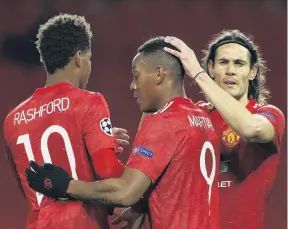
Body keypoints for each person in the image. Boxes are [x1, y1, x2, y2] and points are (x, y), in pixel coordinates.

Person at [25, 37, 220, 229]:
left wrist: (67, 186)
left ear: (159, 74)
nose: (132, 86)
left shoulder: (165, 122)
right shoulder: (202, 117)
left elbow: (126, 191)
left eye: (136, 76)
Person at [3, 13, 130, 229]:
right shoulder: (89, 102)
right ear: (79, 57)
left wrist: (95, 144)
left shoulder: (13, 119)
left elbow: (31, 184)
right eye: (89, 58)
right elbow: (110, 173)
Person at [163, 31, 285, 229]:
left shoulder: (268, 115)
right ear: (211, 68)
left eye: (239, 63)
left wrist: (198, 75)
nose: (230, 70)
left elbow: (250, 128)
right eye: (223, 62)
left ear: (252, 71)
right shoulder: (195, 116)